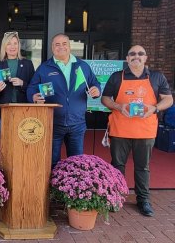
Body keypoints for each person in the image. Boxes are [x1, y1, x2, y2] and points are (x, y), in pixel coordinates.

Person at [101, 45, 173, 217]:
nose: (136, 56)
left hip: (145, 130)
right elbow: (105, 98)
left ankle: (143, 200)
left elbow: (168, 99)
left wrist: (154, 108)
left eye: (140, 54)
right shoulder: (117, 77)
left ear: (145, 58)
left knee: (143, 167)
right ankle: (115, 197)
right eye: (132, 54)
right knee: (117, 165)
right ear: (127, 59)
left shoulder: (157, 77)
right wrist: (118, 106)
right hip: (120, 129)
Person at [27, 33, 101, 168]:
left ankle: (74, 188)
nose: (61, 47)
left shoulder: (82, 66)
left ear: (69, 46)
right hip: (53, 122)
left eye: (64, 43)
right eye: (57, 44)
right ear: (52, 47)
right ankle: (52, 188)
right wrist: (33, 97)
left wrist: (96, 90)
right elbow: (32, 87)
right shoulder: (44, 67)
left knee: (77, 163)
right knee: (52, 162)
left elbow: (94, 83)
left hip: (77, 123)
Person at [0, 31, 35, 130]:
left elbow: (34, 87)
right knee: (5, 144)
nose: (12, 46)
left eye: (15, 43)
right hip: (3, 111)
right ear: (4, 46)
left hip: (23, 110)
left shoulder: (28, 64)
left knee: (22, 143)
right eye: (9, 43)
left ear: (19, 46)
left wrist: (22, 83)